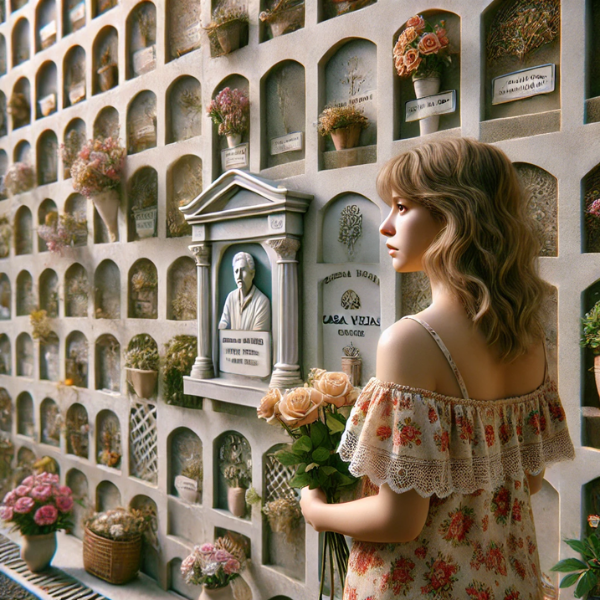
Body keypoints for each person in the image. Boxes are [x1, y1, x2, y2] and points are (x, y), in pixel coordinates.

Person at [300, 138, 575, 599]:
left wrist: (317, 511)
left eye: (403, 208)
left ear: (454, 217)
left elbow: (399, 520)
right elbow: (527, 479)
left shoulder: (411, 341)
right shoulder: (529, 340)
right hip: (507, 581)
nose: (385, 226)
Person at [218, 251, 271, 331]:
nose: (239, 276)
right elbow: (223, 324)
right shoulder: (231, 297)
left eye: (243, 270)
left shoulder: (262, 302)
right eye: (236, 271)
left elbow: (259, 337)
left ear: (252, 274)